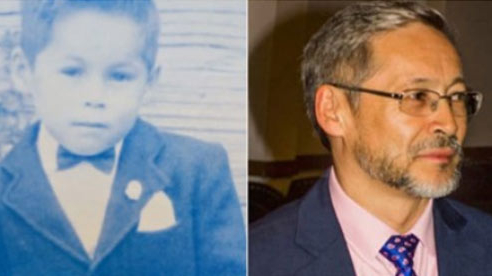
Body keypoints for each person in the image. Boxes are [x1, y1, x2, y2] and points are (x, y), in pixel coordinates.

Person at [0, 0, 245, 275]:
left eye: (119, 76)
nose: (94, 97)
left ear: (150, 81)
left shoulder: (198, 169)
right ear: (23, 72)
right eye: (72, 72)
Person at [250, 1, 492, 276]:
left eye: (457, 97)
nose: (449, 124)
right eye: (417, 96)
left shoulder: (485, 244)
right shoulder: (255, 261)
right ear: (333, 111)